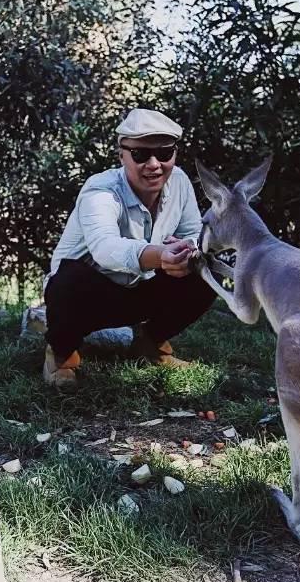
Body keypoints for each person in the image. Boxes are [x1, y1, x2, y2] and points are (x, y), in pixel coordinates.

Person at [42, 108, 216, 387]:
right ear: (121, 154)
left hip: (142, 287)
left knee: (207, 267)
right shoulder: (100, 190)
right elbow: (105, 247)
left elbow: (192, 232)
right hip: (91, 293)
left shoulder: (180, 182)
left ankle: (150, 343)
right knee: (69, 280)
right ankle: (62, 354)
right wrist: (160, 255)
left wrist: (188, 250)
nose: (154, 164)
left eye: (164, 153)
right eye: (140, 155)